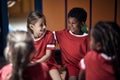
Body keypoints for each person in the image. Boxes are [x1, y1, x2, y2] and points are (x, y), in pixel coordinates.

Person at [54, 7, 90, 80]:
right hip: (70, 66)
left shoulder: (88, 39)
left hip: (85, 67)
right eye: (69, 22)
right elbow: (48, 36)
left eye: (73, 23)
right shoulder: (63, 34)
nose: (70, 25)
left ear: (82, 23)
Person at [27, 11, 62, 80]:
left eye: (45, 24)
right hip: (33, 65)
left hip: (49, 64)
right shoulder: (28, 38)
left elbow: (48, 56)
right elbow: (28, 56)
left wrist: (35, 64)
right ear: (31, 27)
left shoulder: (49, 35)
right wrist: (30, 64)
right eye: (41, 25)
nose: (44, 26)